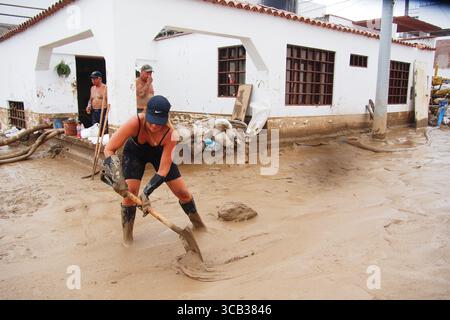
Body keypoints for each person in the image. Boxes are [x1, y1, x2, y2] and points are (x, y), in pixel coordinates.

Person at [103, 95, 206, 246]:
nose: (154, 126)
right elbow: (109, 148)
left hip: (160, 155)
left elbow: (163, 170)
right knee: (129, 194)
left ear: (166, 118)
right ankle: (127, 240)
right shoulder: (136, 122)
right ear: (146, 113)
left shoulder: (171, 134)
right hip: (135, 153)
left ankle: (199, 226)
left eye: (159, 123)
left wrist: (146, 193)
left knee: (182, 192)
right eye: (151, 121)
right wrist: (117, 176)